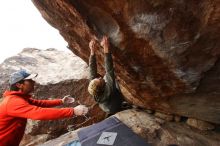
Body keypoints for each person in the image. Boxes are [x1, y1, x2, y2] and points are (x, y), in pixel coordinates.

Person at [0, 70, 88, 146]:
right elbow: (38, 113)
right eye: (29, 80)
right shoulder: (13, 102)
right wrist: (73, 111)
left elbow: (39, 103)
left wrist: (61, 101)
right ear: (19, 85)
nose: (33, 82)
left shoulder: (19, 98)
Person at [88, 36, 123, 115]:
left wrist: (92, 51)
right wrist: (106, 48)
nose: (99, 77)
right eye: (100, 80)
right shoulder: (108, 91)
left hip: (105, 106)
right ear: (103, 87)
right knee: (114, 78)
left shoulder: (93, 88)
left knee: (106, 78)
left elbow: (92, 69)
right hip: (114, 106)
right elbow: (109, 70)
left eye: (97, 79)